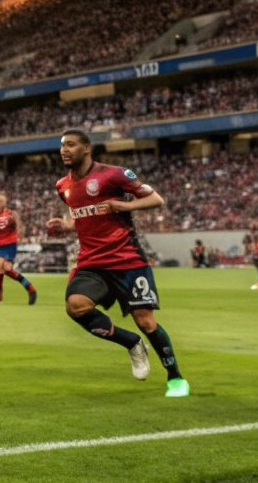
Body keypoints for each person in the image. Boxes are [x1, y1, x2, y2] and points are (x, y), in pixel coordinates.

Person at [45, 130, 189, 397]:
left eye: (71, 145)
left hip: (127, 260)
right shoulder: (62, 185)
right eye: (62, 146)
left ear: (87, 148)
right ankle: (131, 343)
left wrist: (124, 207)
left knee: (145, 321)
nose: (64, 150)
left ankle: (175, 378)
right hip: (92, 262)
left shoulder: (114, 174)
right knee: (75, 307)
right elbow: (79, 214)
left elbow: (156, 199)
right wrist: (65, 226)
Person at [0, 192, 37, 305]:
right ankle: (30, 288)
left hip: (10, 244)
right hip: (0, 244)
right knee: (6, 269)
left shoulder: (11, 214)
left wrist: (21, 236)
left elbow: (18, 226)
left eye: (1, 201)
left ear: (5, 202)